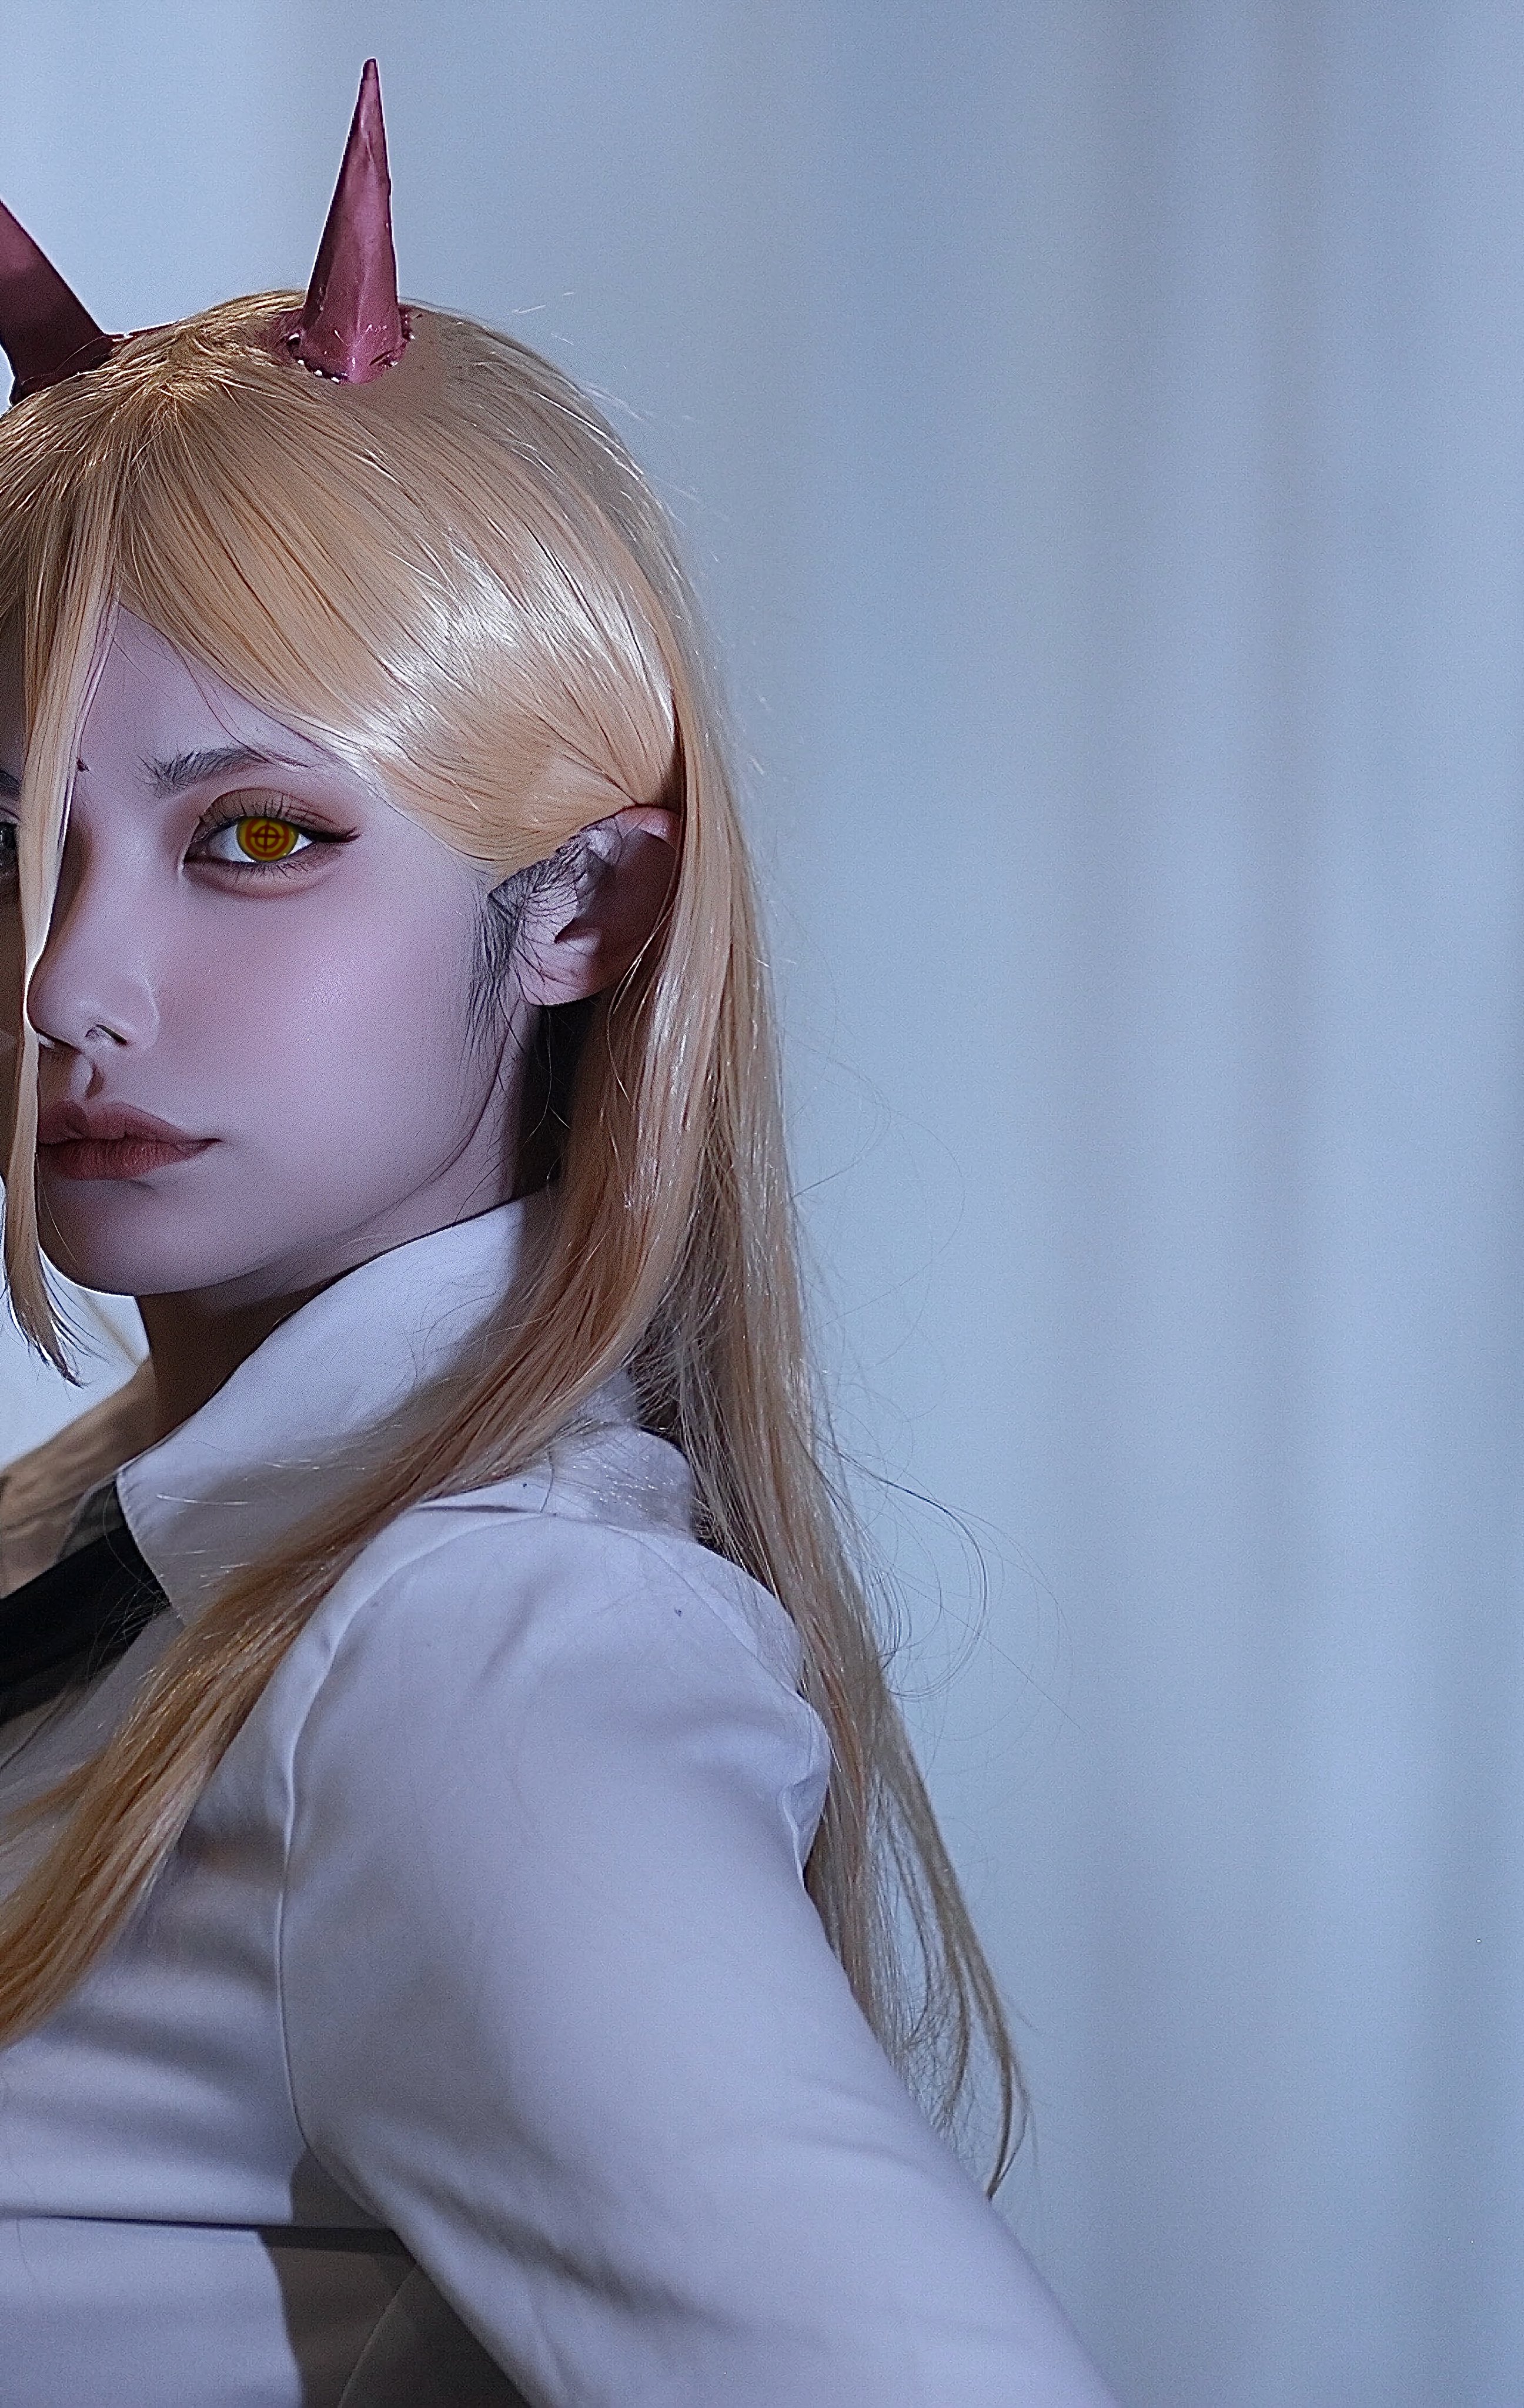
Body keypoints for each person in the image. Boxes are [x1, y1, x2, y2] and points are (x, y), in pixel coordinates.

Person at [0, 62, 1118, 2408]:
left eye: (257, 839)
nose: (68, 984)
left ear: (589, 905)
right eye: (15, 844)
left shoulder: (473, 1658)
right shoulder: (126, 1559)